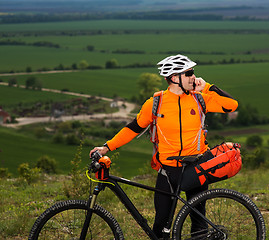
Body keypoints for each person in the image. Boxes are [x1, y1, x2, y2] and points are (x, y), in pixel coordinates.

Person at [90, 54, 238, 238]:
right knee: (160, 223)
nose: (194, 76)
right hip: (168, 170)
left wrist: (207, 87)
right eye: (189, 73)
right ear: (175, 78)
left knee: (199, 221)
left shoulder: (200, 99)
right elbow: (133, 128)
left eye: (193, 72)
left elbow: (232, 105)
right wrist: (106, 147)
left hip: (196, 166)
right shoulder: (156, 103)